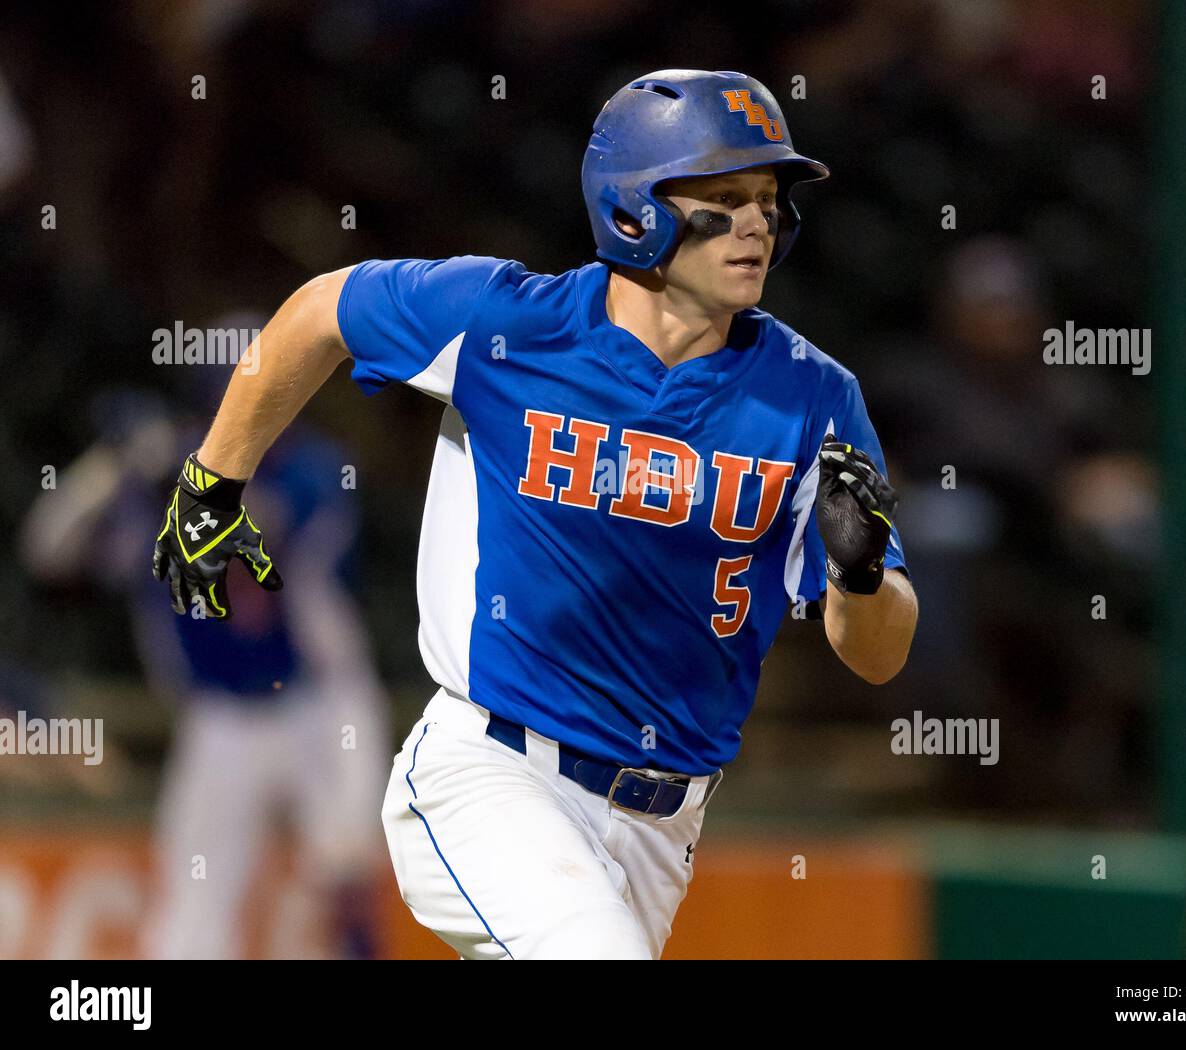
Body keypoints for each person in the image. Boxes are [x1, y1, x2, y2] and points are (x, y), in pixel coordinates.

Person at [149, 69, 918, 960]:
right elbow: (322, 311)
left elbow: (878, 655)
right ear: (634, 207)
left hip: (662, 827)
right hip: (492, 771)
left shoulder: (813, 399)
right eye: (725, 195)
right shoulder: (510, 325)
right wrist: (211, 481)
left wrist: (860, 575)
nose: (757, 221)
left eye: (769, 199)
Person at [23, 384, 389, 958]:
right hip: (220, 720)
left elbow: (262, 539)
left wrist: (177, 476)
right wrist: (110, 465)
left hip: (317, 703)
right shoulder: (156, 477)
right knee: (194, 906)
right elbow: (49, 549)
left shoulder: (314, 471)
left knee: (345, 867)